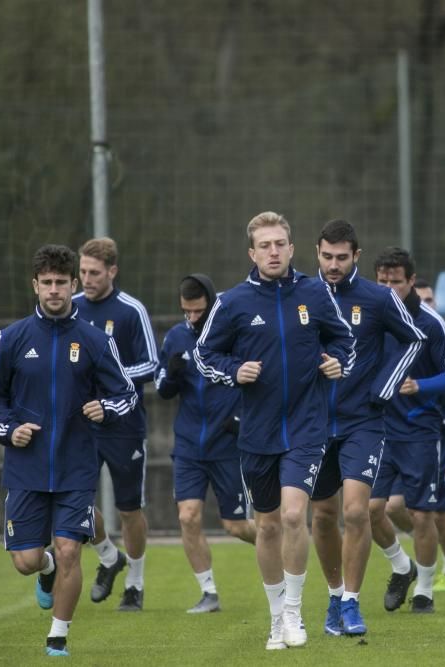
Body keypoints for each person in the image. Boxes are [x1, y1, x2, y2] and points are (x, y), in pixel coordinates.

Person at [195, 211, 355, 650]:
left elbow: (344, 341)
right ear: (252, 252)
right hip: (257, 432)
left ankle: (294, 613)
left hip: (306, 426)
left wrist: (337, 361)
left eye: (280, 243)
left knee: (292, 515)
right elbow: (204, 356)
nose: (273, 251)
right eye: (264, 245)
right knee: (266, 527)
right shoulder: (232, 303)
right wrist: (234, 370)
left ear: (291, 248)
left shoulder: (315, 293)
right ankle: (274, 619)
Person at [0, 244, 137, 657]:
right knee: (28, 560)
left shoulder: (93, 340)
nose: (54, 290)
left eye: (61, 283)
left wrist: (105, 408)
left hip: (76, 467)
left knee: (69, 549)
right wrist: (9, 431)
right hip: (25, 468)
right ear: (35, 285)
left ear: (72, 285)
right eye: (46, 283)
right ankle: (44, 571)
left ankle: (58, 638)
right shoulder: (11, 338)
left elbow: (126, 394)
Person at [309, 220, 425, 637]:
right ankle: (334, 595)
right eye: (327, 256)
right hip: (315, 423)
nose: (334, 265)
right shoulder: (304, 294)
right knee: (322, 517)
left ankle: (352, 603)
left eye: (342, 257)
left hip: (363, 420)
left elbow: (413, 339)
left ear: (356, 256)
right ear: (317, 253)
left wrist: (384, 386)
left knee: (356, 510)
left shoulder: (377, 298)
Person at [155, 273, 257, 614]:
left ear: (212, 305)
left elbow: (258, 381)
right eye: (187, 311)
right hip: (188, 446)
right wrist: (170, 374)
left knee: (237, 526)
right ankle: (209, 593)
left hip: (227, 444)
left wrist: (241, 420)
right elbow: (163, 390)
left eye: (199, 311)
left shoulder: (235, 337)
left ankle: (281, 544)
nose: (193, 318)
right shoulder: (176, 337)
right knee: (188, 516)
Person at [74, 237, 159, 612]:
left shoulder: (130, 310)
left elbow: (151, 364)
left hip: (124, 424)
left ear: (112, 271)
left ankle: (135, 585)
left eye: (94, 273)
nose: (86, 279)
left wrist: (113, 379)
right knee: (74, 503)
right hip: (81, 424)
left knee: (128, 509)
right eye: (82, 272)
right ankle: (109, 557)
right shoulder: (70, 308)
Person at [369, 247, 445, 614]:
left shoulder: (432, 324)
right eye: (382, 281)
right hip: (375, 430)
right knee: (369, 510)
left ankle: (424, 590)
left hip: (420, 431)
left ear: (411, 282)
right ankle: (402, 567)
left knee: (422, 514)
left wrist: (421, 387)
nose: (389, 288)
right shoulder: (370, 317)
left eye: (396, 282)